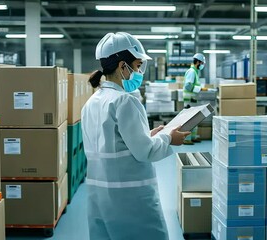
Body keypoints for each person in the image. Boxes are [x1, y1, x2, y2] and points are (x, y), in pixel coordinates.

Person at [81, 32, 191, 240]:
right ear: (123, 66)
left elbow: (113, 143)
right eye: (138, 65)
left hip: (100, 197)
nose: (139, 72)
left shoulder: (92, 102)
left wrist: (148, 134)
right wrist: (170, 138)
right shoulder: (125, 101)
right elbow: (145, 151)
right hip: (129, 198)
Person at [182, 53, 208, 145]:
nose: (202, 65)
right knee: (189, 118)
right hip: (189, 99)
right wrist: (200, 89)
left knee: (195, 118)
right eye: (201, 63)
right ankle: (186, 138)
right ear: (197, 62)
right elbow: (188, 86)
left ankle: (192, 137)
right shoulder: (191, 72)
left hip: (193, 99)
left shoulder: (195, 72)